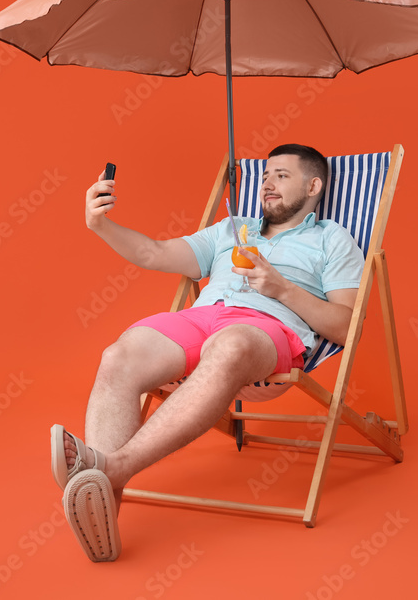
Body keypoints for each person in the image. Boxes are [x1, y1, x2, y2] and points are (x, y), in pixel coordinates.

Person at [55, 144, 364, 561]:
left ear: (314, 185)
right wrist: (100, 225)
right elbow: (154, 253)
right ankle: (103, 503)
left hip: (264, 332)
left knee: (230, 343)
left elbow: (347, 326)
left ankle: (108, 468)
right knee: (118, 357)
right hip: (200, 321)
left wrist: (282, 289)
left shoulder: (332, 239)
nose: (267, 183)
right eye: (266, 174)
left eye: (281, 176)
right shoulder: (230, 229)